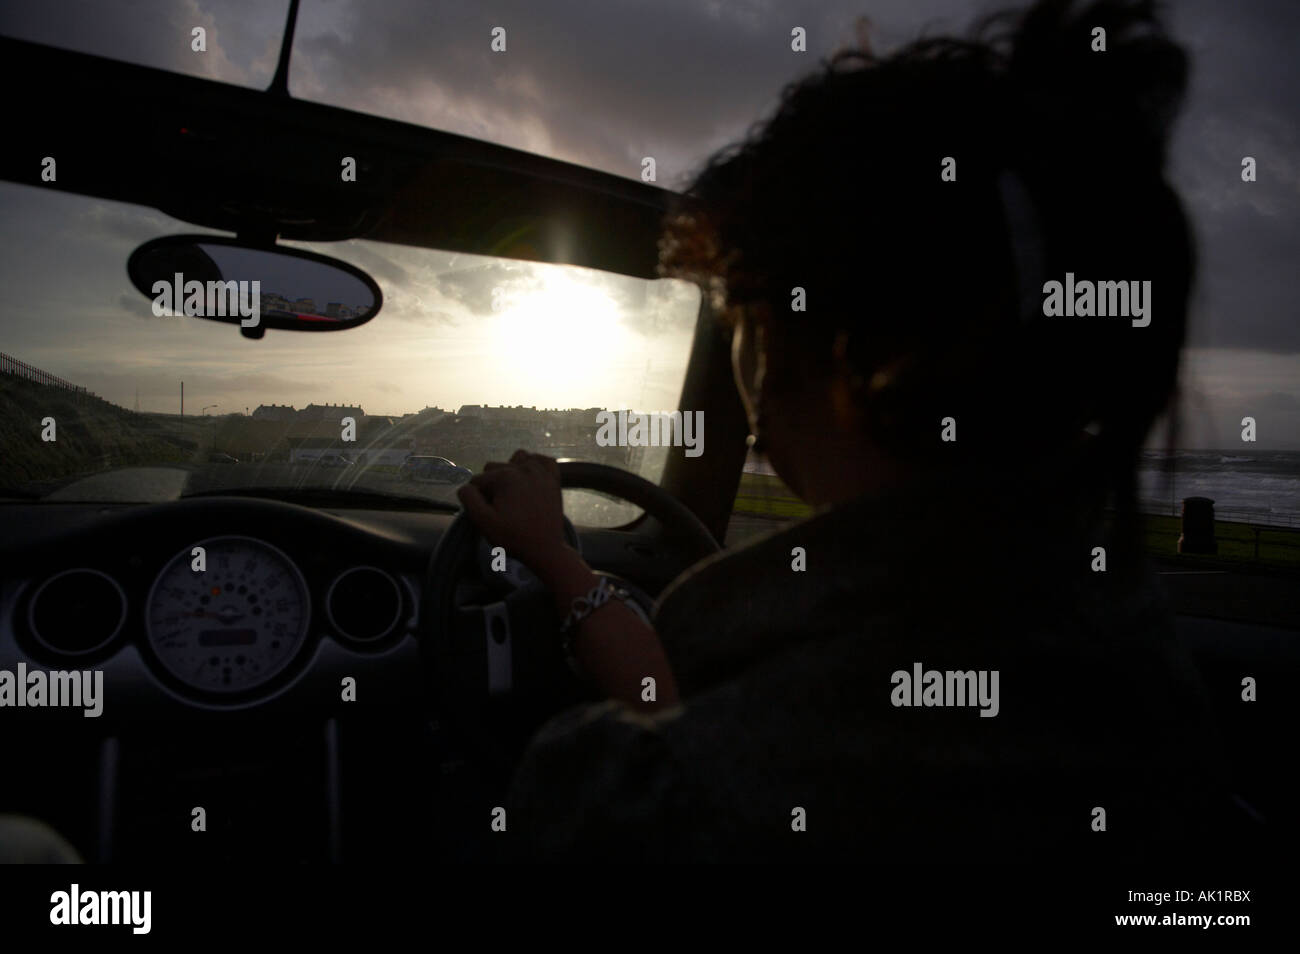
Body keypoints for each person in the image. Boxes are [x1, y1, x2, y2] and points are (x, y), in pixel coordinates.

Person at [456, 0, 1232, 861]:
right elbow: (710, 705)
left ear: (828, 348)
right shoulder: (1122, 661)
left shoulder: (647, 806)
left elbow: (708, 736)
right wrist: (564, 564)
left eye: (734, 315)